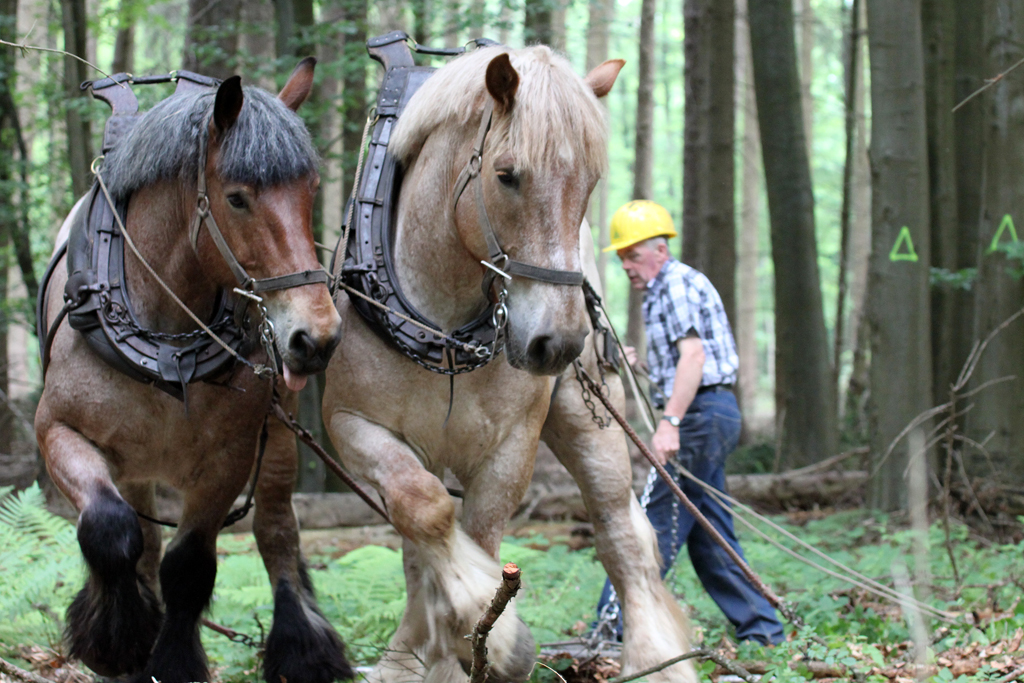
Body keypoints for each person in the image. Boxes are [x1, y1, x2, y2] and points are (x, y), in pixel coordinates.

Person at [593, 200, 784, 646]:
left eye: (634, 255)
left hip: (699, 416)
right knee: (709, 537)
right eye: (621, 257)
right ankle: (764, 632)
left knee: (650, 525)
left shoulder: (675, 284)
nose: (626, 265)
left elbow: (694, 359)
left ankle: (609, 632)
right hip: (709, 412)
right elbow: (690, 359)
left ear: (660, 251)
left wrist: (671, 422)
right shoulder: (665, 291)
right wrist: (640, 368)